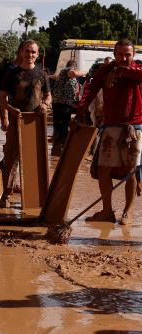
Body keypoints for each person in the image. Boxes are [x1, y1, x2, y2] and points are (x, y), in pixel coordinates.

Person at [77, 39, 142, 225]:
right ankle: (107, 211)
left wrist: (120, 70)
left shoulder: (137, 70)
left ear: (133, 55)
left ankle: (127, 212)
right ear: (114, 54)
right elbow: (90, 91)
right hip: (110, 125)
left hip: (134, 127)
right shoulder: (104, 71)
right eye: (120, 54)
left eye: (127, 54)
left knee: (131, 171)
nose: (123, 58)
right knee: (103, 170)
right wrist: (80, 111)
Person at [0, 40, 51, 208]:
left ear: (37, 55)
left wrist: (45, 104)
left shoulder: (42, 74)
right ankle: (5, 196)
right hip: (16, 121)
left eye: (34, 52)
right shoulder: (12, 74)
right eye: (28, 51)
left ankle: (32, 199)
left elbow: (48, 96)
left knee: (33, 161)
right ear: (21, 52)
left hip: (35, 124)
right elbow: (1, 99)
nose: (30, 55)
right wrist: (10, 110)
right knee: (10, 161)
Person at [50, 60, 85, 156]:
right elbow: (73, 73)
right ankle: (57, 149)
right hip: (61, 104)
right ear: (73, 67)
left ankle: (58, 148)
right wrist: (85, 72)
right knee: (61, 127)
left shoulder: (65, 75)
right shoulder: (67, 71)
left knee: (62, 127)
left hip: (65, 104)